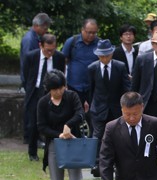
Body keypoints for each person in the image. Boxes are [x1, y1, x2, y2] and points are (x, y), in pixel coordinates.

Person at [37, 69, 84, 180]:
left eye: (60, 88)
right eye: (54, 89)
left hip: (73, 142)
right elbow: (41, 127)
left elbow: (80, 114)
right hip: (54, 144)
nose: (58, 92)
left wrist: (68, 126)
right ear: (49, 89)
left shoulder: (72, 96)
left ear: (65, 86)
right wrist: (58, 134)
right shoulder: (43, 102)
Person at [88, 39, 131, 177]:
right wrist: (90, 105)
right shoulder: (92, 68)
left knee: (118, 136)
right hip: (98, 108)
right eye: (101, 55)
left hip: (116, 108)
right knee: (97, 136)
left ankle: (118, 163)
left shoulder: (120, 66)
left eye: (106, 55)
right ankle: (96, 164)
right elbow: (90, 89)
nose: (104, 58)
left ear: (112, 54)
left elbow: (126, 87)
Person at [23, 34, 65, 162]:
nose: (50, 53)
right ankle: (32, 151)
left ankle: (54, 151)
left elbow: (61, 74)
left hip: (52, 92)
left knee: (55, 120)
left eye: (53, 49)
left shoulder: (59, 57)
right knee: (33, 121)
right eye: (47, 50)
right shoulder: (31, 57)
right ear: (40, 45)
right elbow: (25, 75)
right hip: (35, 91)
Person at [62, 18, 100, 136]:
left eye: (94, 32)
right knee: (72, 114)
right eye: (88, 32)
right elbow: (63, 61)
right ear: (82, 30)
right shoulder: (72, 42)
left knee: (92, 115)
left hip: (92, 87)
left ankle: (91, 140)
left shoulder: (99, 43)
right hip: (74, 85)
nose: (91, 35)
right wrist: (64, 83)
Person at [20, 13, 52, 144]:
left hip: (34, 81)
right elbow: (27, 63)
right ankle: (29, 137)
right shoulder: (30, 39)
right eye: (45, 28)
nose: (46, 31)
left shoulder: (35, 37)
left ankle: (35, 136)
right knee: (31, 110)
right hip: (32, 82)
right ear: (38, 26)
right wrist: (27, 82)